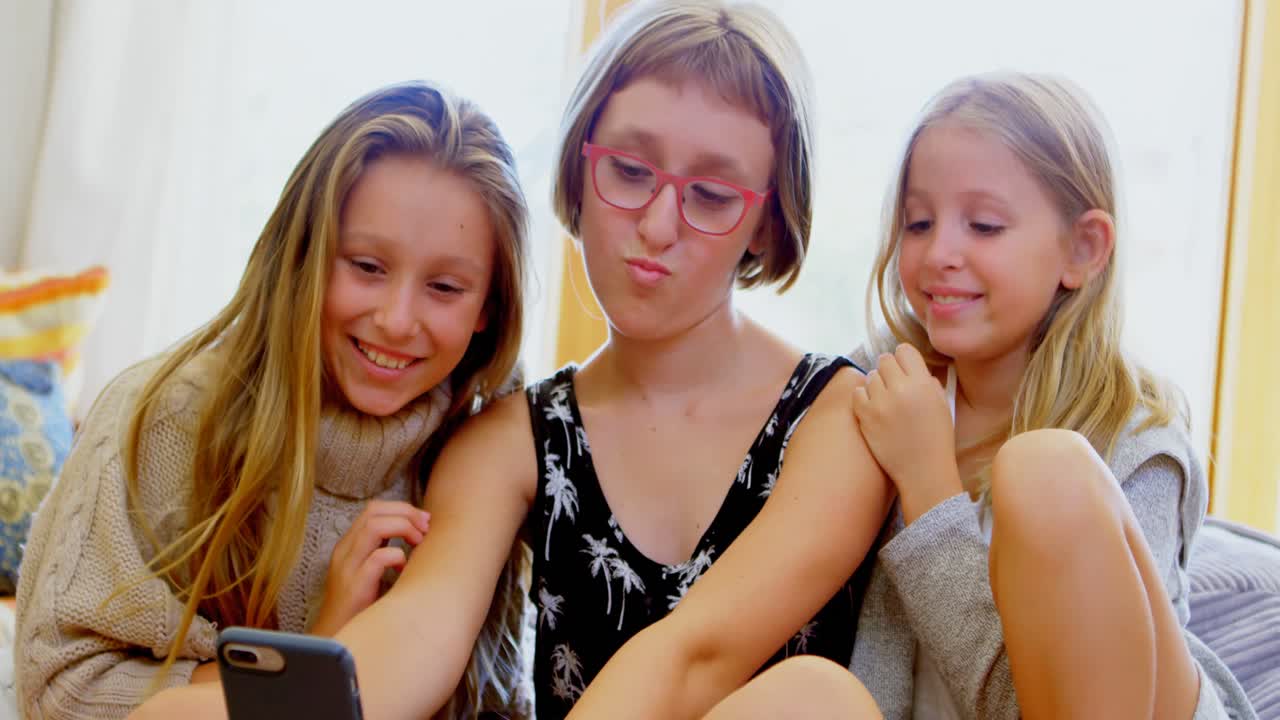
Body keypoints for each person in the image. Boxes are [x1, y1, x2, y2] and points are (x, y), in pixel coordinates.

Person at [319, 2, 891, 719]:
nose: (656, 227)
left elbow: (696, 656)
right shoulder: (507, 441)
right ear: (579, 165)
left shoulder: (842, 417)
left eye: (711, 196)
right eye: (626, 170)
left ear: (767, 222)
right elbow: (414, 639)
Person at [732, 71, 1255, 720]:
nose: (938, 253)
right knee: (807, 695)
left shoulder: (1135, 441)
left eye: (983, 226)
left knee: (1044, 470)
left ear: (1084, 249)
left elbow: (1034, 706)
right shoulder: (883, 386)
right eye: (918, 223)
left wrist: (925, 482)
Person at [15, 80, 532, 720]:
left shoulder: (492, 438)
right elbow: (60, 689)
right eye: (367, 267)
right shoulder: (164, 417)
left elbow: (497, 697)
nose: (398, 320)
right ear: (303, 255)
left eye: (446, 287)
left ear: (490, 306)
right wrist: (311, 656)